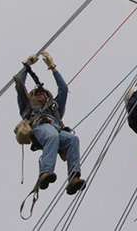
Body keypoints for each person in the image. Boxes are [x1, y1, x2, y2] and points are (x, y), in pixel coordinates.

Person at [14, 52, 87, 195]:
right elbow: (19, 85)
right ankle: (45, 172)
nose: (40, 94)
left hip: (57, 130)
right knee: (52, 136)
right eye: (37, 93)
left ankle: (74, 178)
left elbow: (63, 90)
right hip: (39, 128)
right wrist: (26, 66)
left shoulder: (55, 110)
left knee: (72, 139)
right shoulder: (28, 107)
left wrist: (53, 68)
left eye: (43, 93)